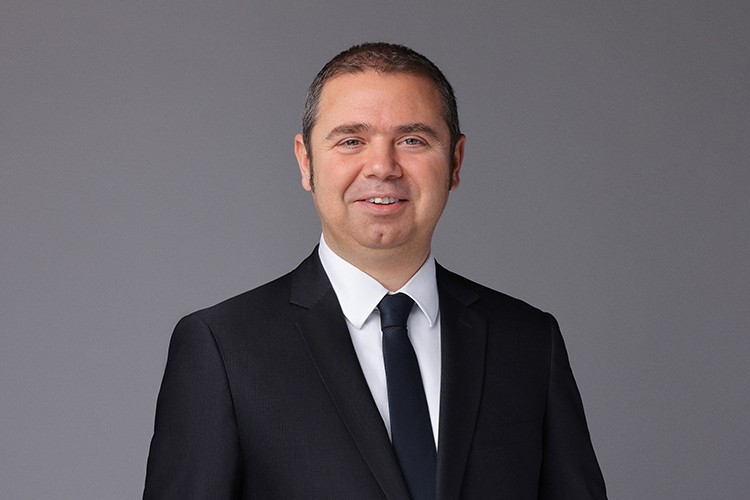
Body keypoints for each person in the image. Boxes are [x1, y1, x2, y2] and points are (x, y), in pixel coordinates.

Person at [144, 42, 607, 499]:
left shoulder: (529, 340)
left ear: (455, 161)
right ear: (306, 161)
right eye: (351, 141)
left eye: (412, 140)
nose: (383, 167)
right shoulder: (222, 348)